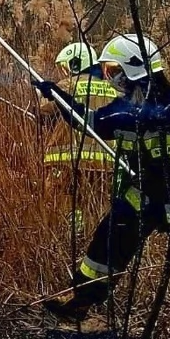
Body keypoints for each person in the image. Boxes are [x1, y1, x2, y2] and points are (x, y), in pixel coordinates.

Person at [32, 34, 170, 332]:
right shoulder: (125, 108)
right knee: (108, 241)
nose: (111, 77)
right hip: (144, 196)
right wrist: (59, 97)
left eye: (114, 70)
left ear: (134, 71)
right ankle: (80, 302)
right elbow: (91, 122)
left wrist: (161, 178)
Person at [39, 42, 121, 236]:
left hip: (68, 159)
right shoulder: (112, 88)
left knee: (66, 204)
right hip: (105, 163)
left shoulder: (67, 85)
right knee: (97, 208)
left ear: (76, 64)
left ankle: (69, 239)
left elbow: (44, 111)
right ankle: (92, 238)